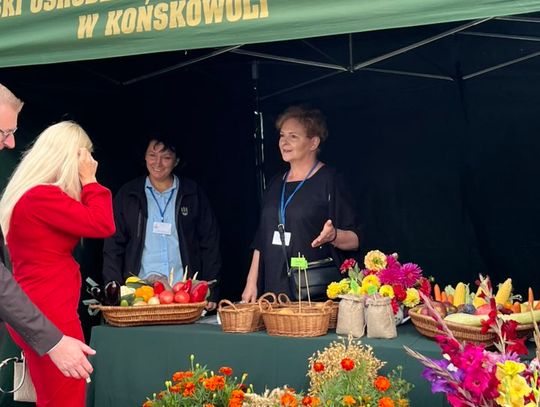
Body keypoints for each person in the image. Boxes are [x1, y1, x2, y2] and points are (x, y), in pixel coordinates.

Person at [0, 120, 116, 407]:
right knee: (66, 398)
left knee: (54, 397)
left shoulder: (33, 195)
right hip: (51, 312)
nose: (88, 162)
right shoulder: (43, 196)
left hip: (41, 307)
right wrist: (90, 180)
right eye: (84, 156)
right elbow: (103, 223)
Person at [242, 106, 361, 302]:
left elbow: (356, 239)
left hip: (313, 293)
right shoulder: (275, 184)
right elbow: (262, 238)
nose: (284, 142)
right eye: (282, 135)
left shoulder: (330, 181)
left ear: (313, 142)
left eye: (293, 136)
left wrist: (333, 236)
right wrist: (251, 282)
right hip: (273, 291)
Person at [102, 137, 221, 310]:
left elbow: (210, 243)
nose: (157, 163)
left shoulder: (192, 193)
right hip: (141, 295)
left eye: (166, 157)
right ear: (144, 157)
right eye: (152, 155)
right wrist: (114, 290)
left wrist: (211, 289)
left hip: (184, 293)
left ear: (176, 161)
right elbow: (113, 246)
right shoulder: (128, 194)